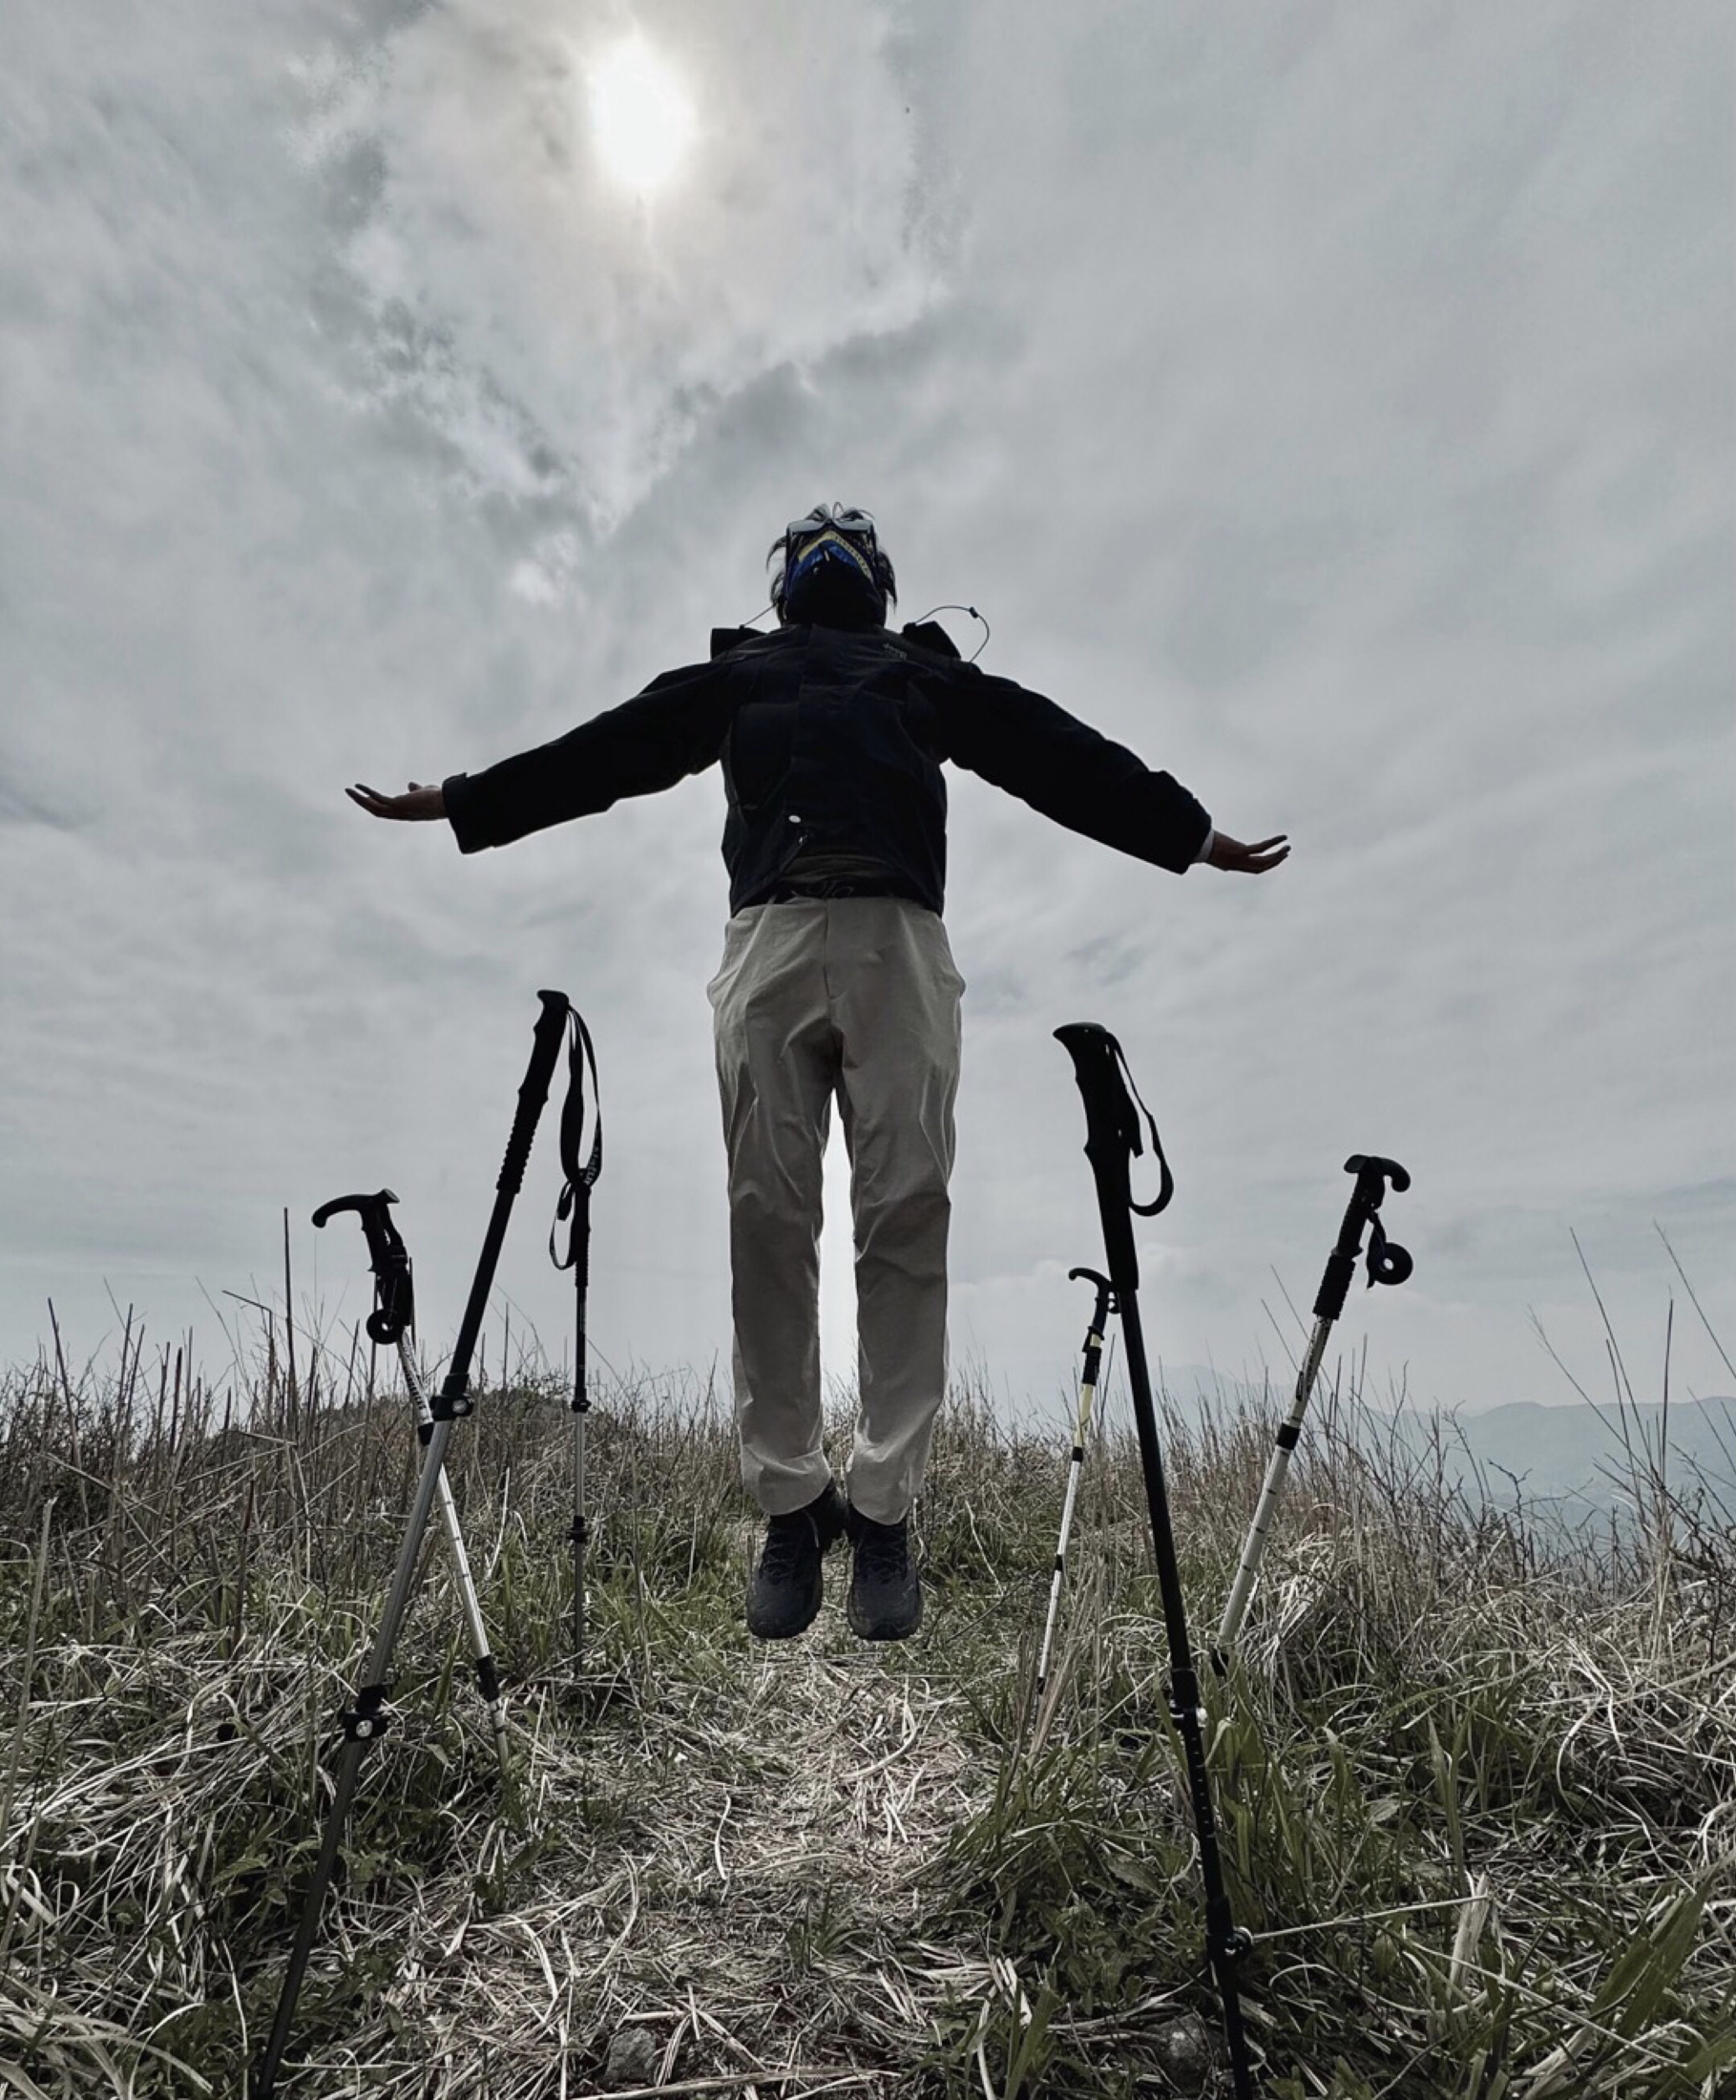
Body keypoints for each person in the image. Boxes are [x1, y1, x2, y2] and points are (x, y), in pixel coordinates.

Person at [349, 503, 1288, 1645]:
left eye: (849, 537)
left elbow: (1054, 751)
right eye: (811, 538)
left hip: (899, 941)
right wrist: (466, 796)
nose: (831, 543)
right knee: (767, 1215)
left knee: (905, 1209)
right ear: (787, 582)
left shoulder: (919, 673)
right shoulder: (735, 679)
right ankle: (793, 1505)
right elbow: (606, 751)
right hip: (770, 944)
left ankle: (883, 1512)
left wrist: (1184, 831)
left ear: (880, 583)